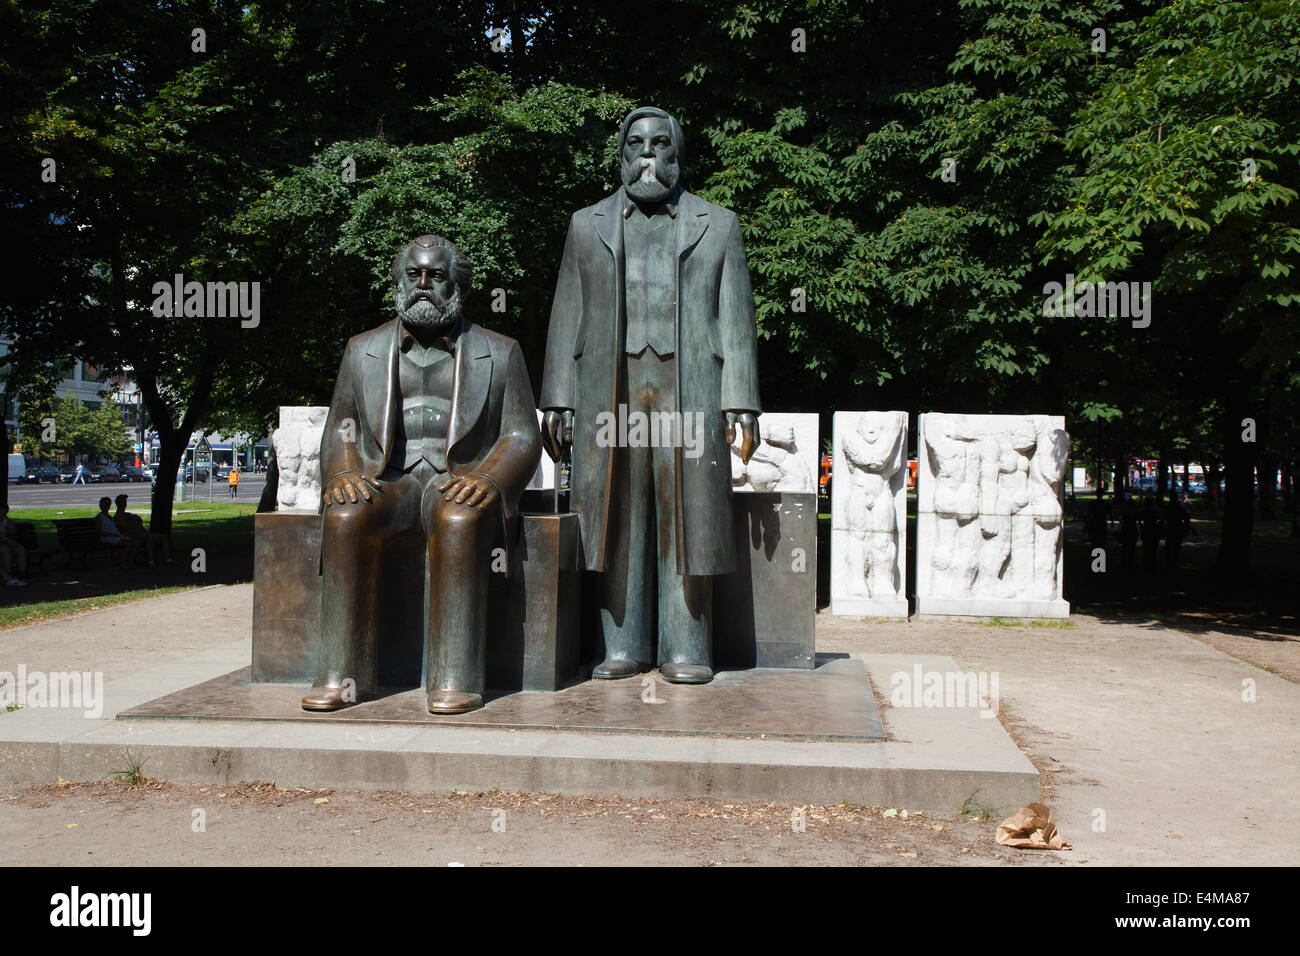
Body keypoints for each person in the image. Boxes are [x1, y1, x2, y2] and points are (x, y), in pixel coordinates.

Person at [539, 106, 762, 684]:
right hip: (607, 390)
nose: (647, 154)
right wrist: (557, 396)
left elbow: (734, 314)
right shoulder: (585, 224)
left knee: (687, 515)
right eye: (635, 143)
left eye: (660, 144)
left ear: (677, 154)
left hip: (690, 387)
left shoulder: (720, 223)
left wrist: (741, 397)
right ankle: (623, 645)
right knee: (617, 513)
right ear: (620, 154)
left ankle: (687, 646)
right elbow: (568, 311)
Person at [301, 235, 541, 716]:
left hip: (457, 478)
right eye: (415, 275)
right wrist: (343, 473)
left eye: (436, 275)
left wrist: (490, 479)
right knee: (346, 514)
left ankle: (456, 678)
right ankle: (342, 678)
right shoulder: (361, 349)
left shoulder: (501, 351)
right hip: (388, 480)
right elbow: (340, 429)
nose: (425, 285)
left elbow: (521, 436)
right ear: (399, 280)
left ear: (458, 284)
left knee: (459, 517)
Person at [113, 494, 172, 567]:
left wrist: (138, 524)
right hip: (132, 535)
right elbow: (128, 529)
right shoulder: (118, 516)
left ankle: (168, 559)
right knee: (148, 538)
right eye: (123, 502)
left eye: (125, 502)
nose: (125, 504)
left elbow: (138, 525)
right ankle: (151, 561)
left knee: (164, 537)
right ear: (118, 503)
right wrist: (137, 527)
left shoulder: (128, 515)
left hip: (141, 533)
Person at [95, 496, 137, 568]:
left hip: (116, 536)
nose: (107, 506)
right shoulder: (99, 517)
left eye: (108, 504)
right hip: (107, 538)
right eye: (104, 504)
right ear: (100, 505)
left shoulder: (110, 517)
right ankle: (124, 562)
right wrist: (112, 534)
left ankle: (129, 561)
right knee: (128, 543)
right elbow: (99, 531)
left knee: (135, 541)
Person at [0, 505, 28, 587]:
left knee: (21, 550)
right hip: (4, 543)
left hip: (6, 542)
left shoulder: (6, 521)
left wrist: (11, 528)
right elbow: (3, 537)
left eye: (4, 511)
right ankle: (9, 574)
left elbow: (12, 533)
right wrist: (9, 541)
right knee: (6, 551)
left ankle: (22, 573)